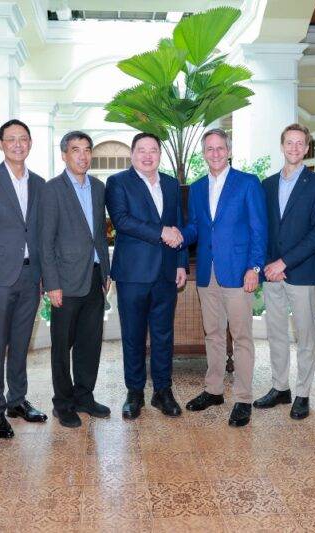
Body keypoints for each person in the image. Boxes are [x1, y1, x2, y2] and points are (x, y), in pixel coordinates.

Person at [181, 128, 268, 427]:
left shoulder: (248, 183)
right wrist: (179, 235)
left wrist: (254, 268)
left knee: (241, 337)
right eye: (210, 149)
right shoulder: (196, 188)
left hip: (239, 273)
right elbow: (195, 228)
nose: (215, 153)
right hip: (208, 273)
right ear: (203, 153)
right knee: (213, 334)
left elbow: (259, 229)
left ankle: (243, 398)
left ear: (229, 151)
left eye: (220, 148)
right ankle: (214, 390)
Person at [0, 119, 48, 440]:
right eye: (11, 139)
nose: (18, 144)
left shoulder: (40, 183)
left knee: (20, 342)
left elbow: (41, 233)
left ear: (30, 143)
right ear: (0, 143)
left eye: (23, 139)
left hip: (31, 275)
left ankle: (17, 400)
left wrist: (44, 276)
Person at [105, 132, 189, 420]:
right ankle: (135, 392)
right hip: (133, 274)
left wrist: (181, 263)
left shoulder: (170, 183)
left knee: (164, 335)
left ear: (159, 155)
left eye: (153, 150)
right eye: (141, 150)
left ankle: (163, 391)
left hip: (166, 272)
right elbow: (122, 221)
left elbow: (178, 224)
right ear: (132, 154)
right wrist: (160, 232)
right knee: (133, 336)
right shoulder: (118, 182)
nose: (147, 155)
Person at [254, 124, 315, 420]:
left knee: (305, 337)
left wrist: (284, 263)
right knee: (276, 334)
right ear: (282, 145)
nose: (295, 148)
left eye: (300, 143)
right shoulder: (267, 184)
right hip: (272, 273)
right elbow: (261, 229)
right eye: (290, 142)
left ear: (307, 148)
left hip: (302, 272)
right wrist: (268, 265)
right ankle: (280, 387)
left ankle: (302, 394)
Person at [39, 131, 111, 429]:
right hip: (65, 281)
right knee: (62, 346)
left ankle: (84, 397)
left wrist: (105, 271)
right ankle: (63, 403)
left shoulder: (98, 187)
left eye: (87, 150)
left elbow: (99, 234)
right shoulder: (52, 189)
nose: (82, 155)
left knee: (89, 343)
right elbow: (45, 241)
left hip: (94, 277)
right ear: (64, 155)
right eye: (75, 150)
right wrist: (51, 283)